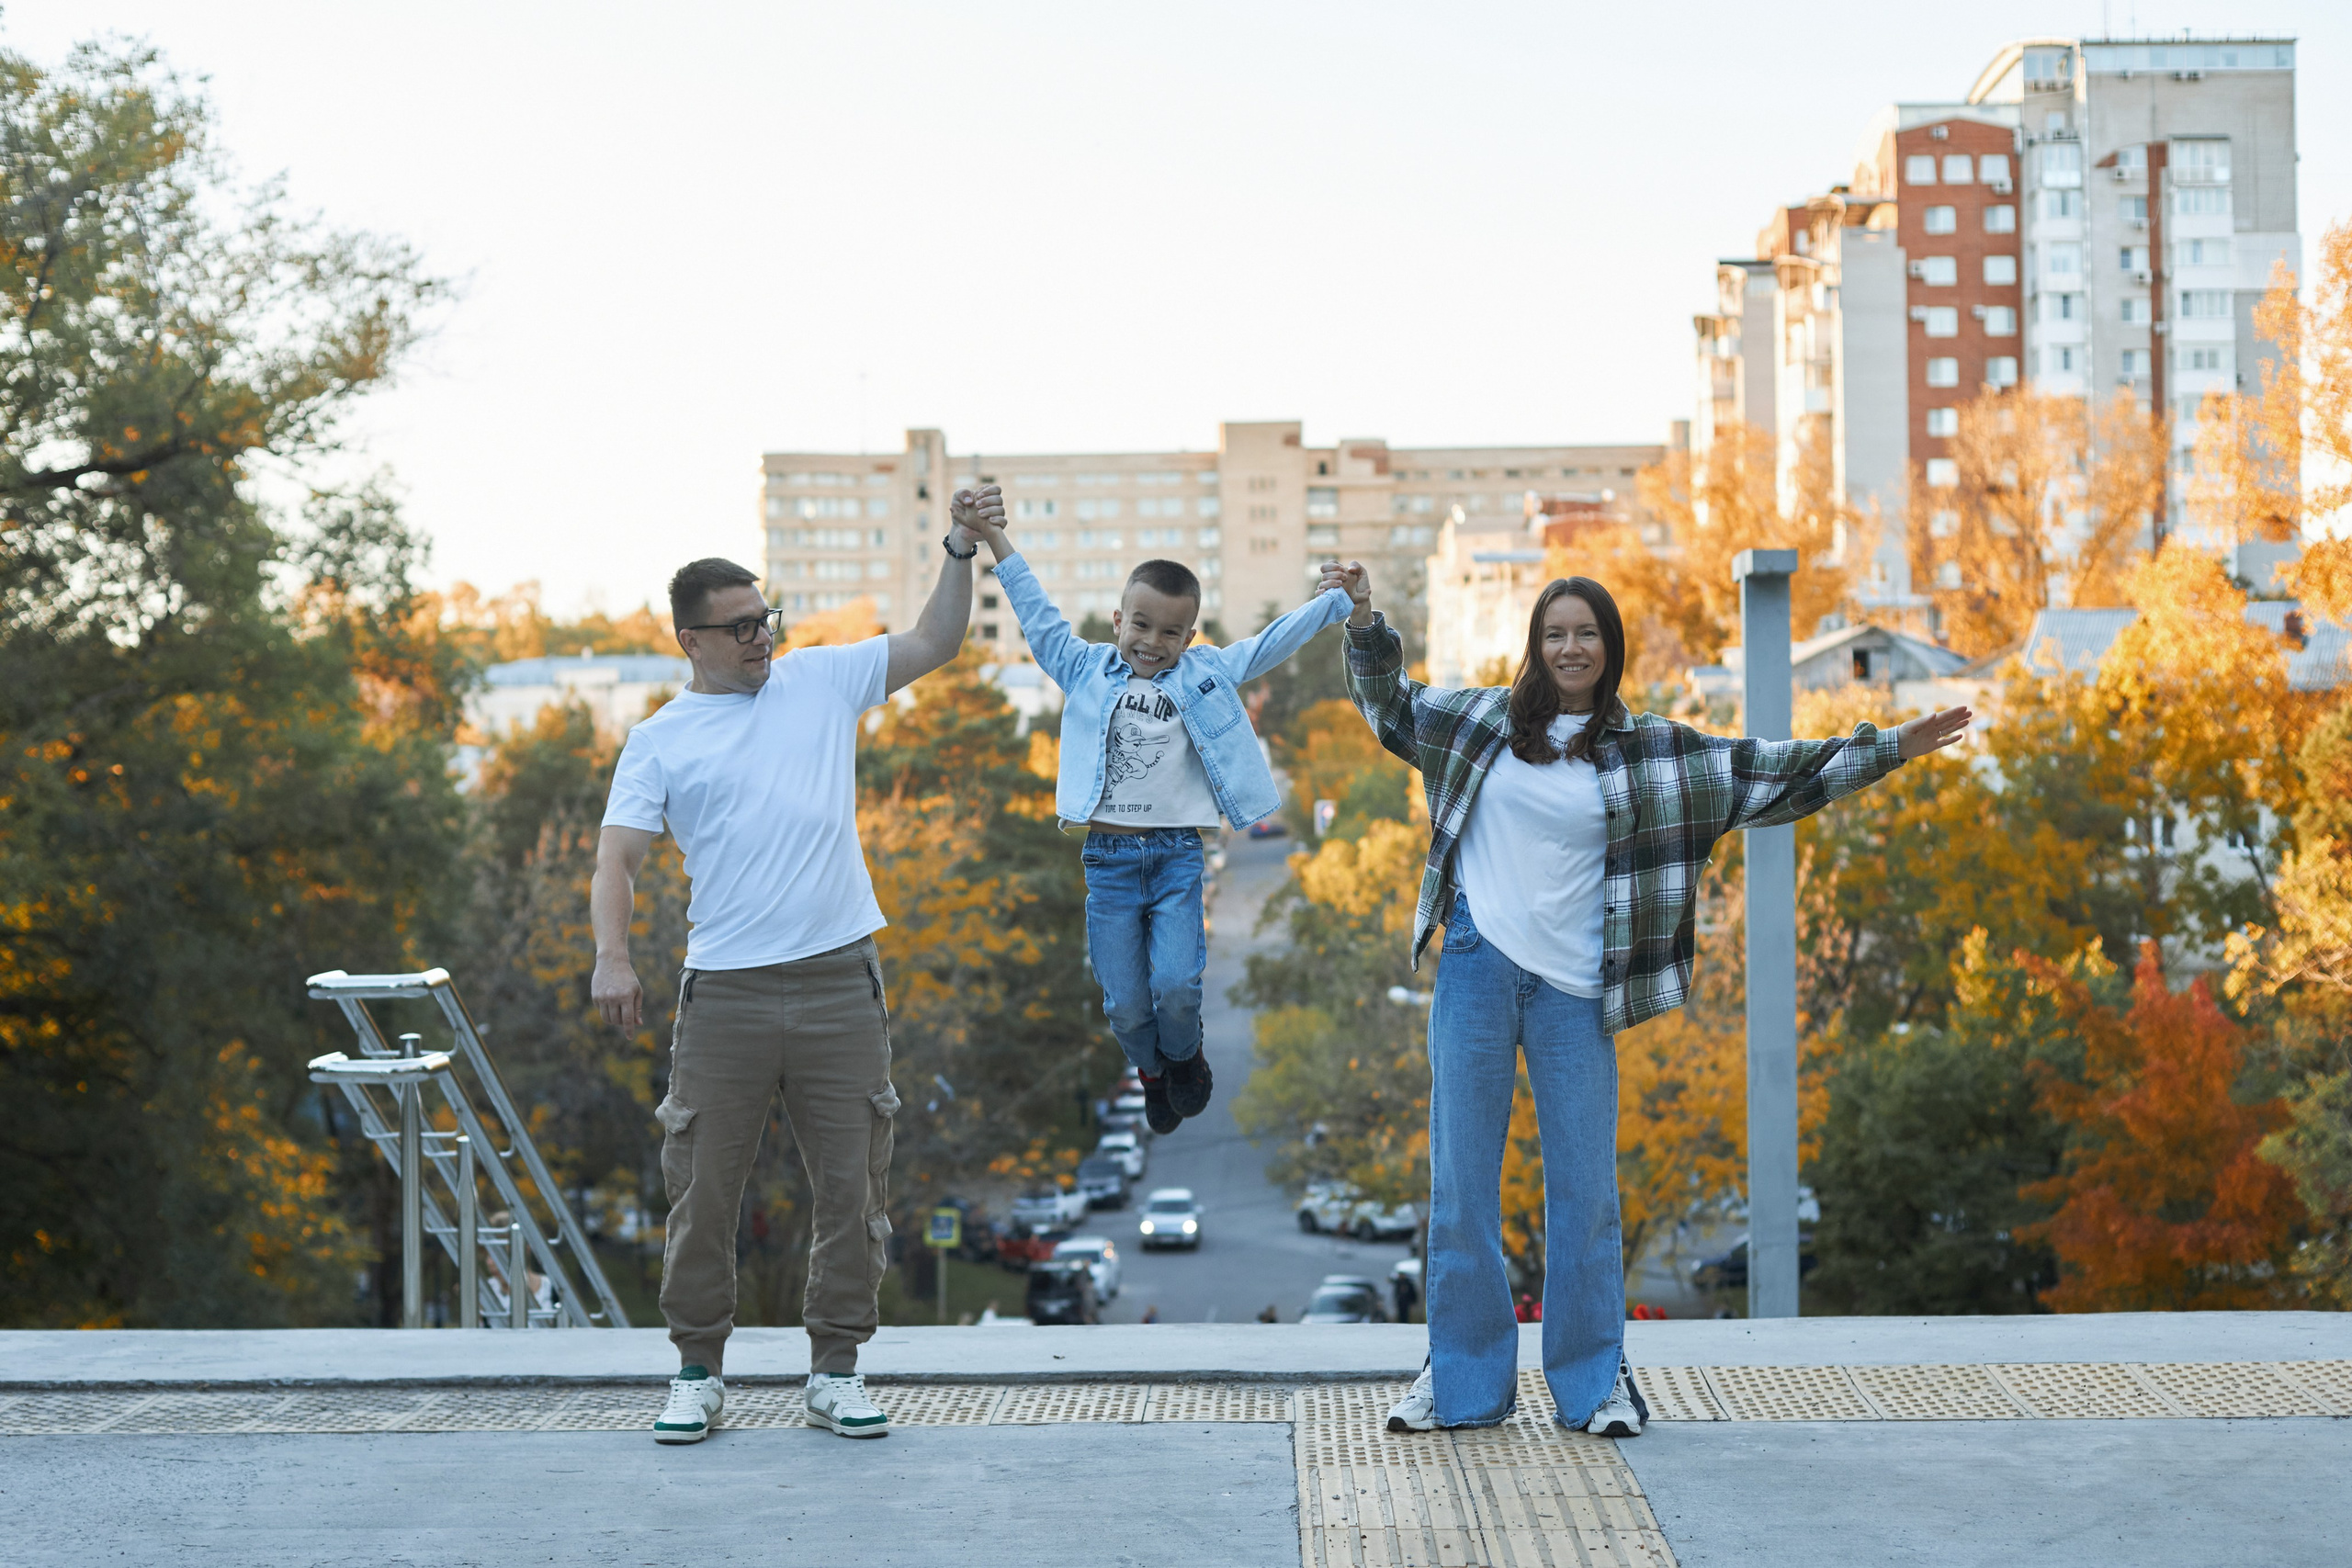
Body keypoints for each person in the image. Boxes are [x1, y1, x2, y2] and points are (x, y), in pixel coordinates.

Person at [1332, 566, 1969, 1439]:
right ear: (1535, 643)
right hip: (1477, 965)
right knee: (1462, 1188)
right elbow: (1389, 704)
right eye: (1555, 633)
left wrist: (1890, 746)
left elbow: (1769, 776)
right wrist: (1367, 616)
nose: (1570, 648)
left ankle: (1594, 1387)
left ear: (1610, 647)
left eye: (1586, 633)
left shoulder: (1654, 750)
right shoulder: (1479, 722)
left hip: (1575, 990)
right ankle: (1463, 1385)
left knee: (1586, 1193)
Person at [589, 498, 1000, 1446]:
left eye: (764, 617)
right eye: (738, 628)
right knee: (702, 1195)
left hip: (837, 986)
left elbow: (938, 638)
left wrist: (958, 546)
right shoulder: (660, 740)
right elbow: (616, 859)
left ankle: (836, 1371)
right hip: (723, 996)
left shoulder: (820, 680)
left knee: (855, 1191)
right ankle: (696, 1371)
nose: (760, 636)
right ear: (691, 641)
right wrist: (612, 955)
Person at [951, 486, 1353, 1134]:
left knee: (1175, 985)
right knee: (1126, 1007)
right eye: (1141, 625)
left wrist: (1336, 600)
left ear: (1190, 636)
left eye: (1171, 631)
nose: (1152, 641)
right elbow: (1036, 612)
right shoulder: (1083, 667)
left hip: (1174, 858)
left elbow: (1272, 642)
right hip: (1108, 864)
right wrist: (994, 538)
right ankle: (1152, 1072)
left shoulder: (1206, 672)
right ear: (1117, 621)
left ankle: (1185, 1054)